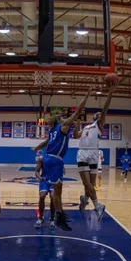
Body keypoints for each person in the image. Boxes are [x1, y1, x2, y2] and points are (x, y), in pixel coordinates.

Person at [32, 88, 93, 231]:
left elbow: (45, 143)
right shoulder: (62, 127)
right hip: (54, 161)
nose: (66, 118)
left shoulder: (52, 130)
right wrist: (87, 95)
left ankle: (59, 215)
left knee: (57, 193)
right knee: (57, 193)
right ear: (60, 120)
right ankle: (59, 218)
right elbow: (78, 112)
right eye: (63, 117)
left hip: (50, 160)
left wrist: (36, 148)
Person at [34, 149, 55, 229]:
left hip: (54, 180)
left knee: (53, 198)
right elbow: (36, 171)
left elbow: (62, 170)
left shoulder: (57, 158)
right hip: (45, 180)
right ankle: (41, 217)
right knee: (42, 196)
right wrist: (39, 177)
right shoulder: (42, 158)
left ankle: (52, 218)